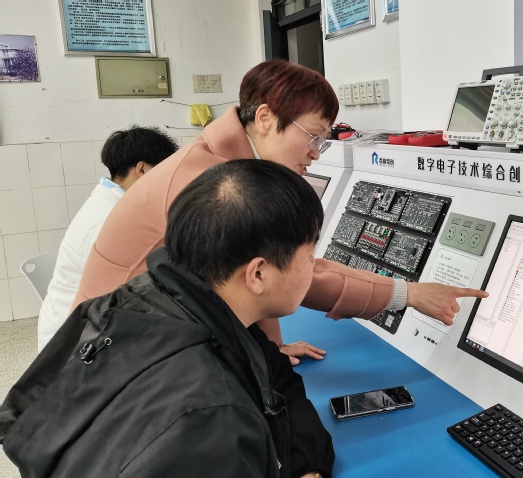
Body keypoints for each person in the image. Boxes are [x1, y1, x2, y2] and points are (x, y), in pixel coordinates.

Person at [73, 59, 487, 364]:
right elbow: (292, 273)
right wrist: (408, 293)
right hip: (117, 355)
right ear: (266, 118)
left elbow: (254, 274)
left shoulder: (216, 160)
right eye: (314, 136)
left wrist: (270, 350)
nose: (316, 153)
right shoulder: (211, 182)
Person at [1, 160, 335, 478]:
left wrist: (307, 462)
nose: (313, 265)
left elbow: (270, 371)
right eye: (309, 255)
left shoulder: (139, 300)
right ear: (257, 273)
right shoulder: (214, 420)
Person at [37, 126, 179, 351]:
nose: (168, 181)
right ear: (142, 169)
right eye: (165, 171)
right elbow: (136, 290)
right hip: (73, 344)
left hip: (80, 319)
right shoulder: (110, 219)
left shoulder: (110, 201)